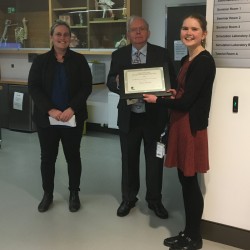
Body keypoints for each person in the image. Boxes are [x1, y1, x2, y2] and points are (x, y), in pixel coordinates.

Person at [143, 14, 216, 250]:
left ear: (203, 34)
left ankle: (193, 238)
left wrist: (158, 100)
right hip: (181, 124)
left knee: (189, 182)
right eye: (185, 28)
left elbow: (187, 104)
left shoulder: (204, 61)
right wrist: (173, 93)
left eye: (194, 29)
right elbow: (185, 96)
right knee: (186, 181)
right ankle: (189, 232)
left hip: (190, 128)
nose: (188, 32)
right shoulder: (188, 59)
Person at [107, 16, 176, 219]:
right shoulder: (118, 54)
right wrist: (118, 83)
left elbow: (171, 79)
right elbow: (111, 80)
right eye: (134, 30)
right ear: (128, 34)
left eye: (142, 29)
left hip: (154, 118)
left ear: (148, 32)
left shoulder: (161, 53)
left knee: (154, 161)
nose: (138, 33)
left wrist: (169, 91)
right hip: (130, 117)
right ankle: (129, 198)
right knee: (128, 160)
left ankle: (154, 200)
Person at [28, 20, 92, 213]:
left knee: (73, 157)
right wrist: (51, 110)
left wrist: (72, 108)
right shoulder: (40, 61)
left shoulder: (79, 60)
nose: (62, 38)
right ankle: (48, 194)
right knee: (48, 158)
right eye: (58, 34)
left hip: (72, 118)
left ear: (70, 37)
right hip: (48, 120)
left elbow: (85, 87)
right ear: (51, 37)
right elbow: (34, 88)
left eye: (66, 34)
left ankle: (74, 193)